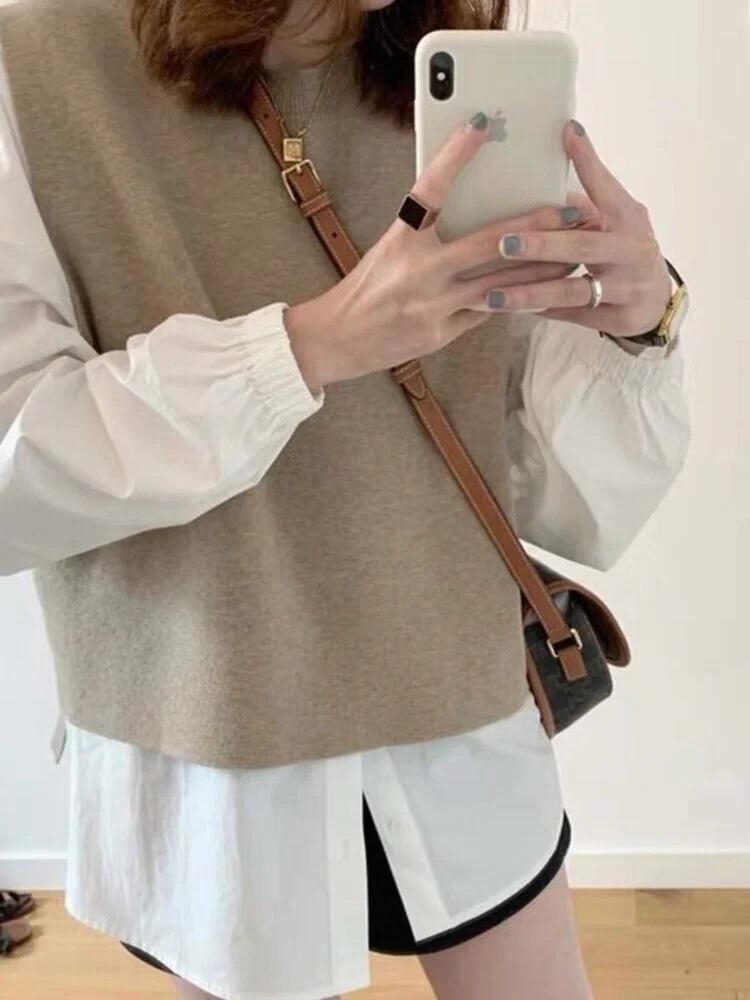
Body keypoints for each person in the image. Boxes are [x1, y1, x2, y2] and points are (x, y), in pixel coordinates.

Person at [0, 0, 690, 996]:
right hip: (215, 737)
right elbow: (18, 465)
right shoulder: (31, 65)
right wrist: (308, 346)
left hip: (456, 704)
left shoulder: (450, 61)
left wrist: (640, 321)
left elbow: (539, 473)